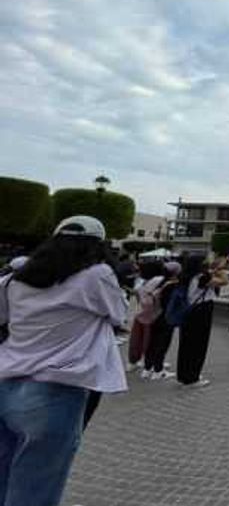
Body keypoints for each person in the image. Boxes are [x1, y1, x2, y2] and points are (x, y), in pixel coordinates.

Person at [0, 216, 128, 506]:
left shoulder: (16, 279)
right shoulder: (97, 275)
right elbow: (119, 314)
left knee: (4, 476)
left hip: (5, 382)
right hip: (54, 390)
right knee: (35, 489)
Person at [176, 256, 229, 388]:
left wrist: (213, 270)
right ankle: (193, 378)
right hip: (201, 312)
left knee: (186, 345)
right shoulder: (202, 278)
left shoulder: (185, 277)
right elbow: (224, 281)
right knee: (198, 345)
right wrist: (221, 269)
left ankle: (184, 375)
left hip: (189, 312)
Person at [143, 261, 181, 380]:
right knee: (162, 343)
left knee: (153, 342)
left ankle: (147, 368)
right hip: (166, 317)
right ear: (176, 272)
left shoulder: (160, 282)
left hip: (155, 315)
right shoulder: (173, 285)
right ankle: (158, 370)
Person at [131, 261, 167, 378]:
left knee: (137, 339)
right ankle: (151, 363)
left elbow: (136, 295)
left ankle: (134, 361)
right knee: (152, 341)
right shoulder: (158, 280)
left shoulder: (140, 281)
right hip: (153, 315)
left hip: (140, 312)